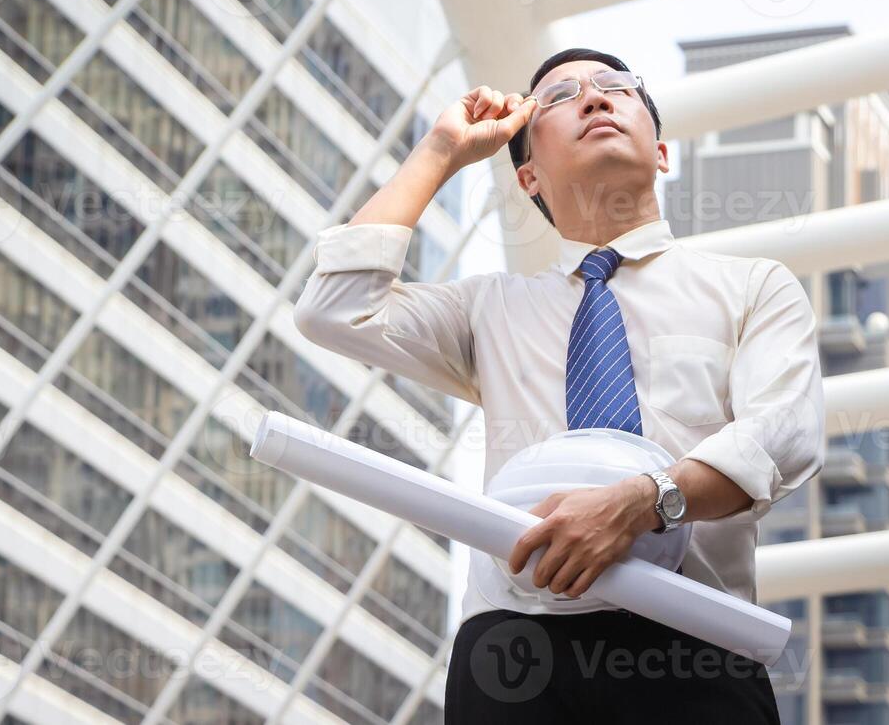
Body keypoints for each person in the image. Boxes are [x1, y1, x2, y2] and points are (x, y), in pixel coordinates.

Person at [293, 48, 826, 722]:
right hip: (516, 649)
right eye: (560, 96)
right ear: (527, 176)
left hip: (694, 639)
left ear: (660, 152)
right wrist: (440, 151)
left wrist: (642, 501)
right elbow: (334, 308)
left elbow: (783, 434)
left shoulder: (751, 287)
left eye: (615, 88)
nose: (596, 99)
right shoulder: (487, 309)